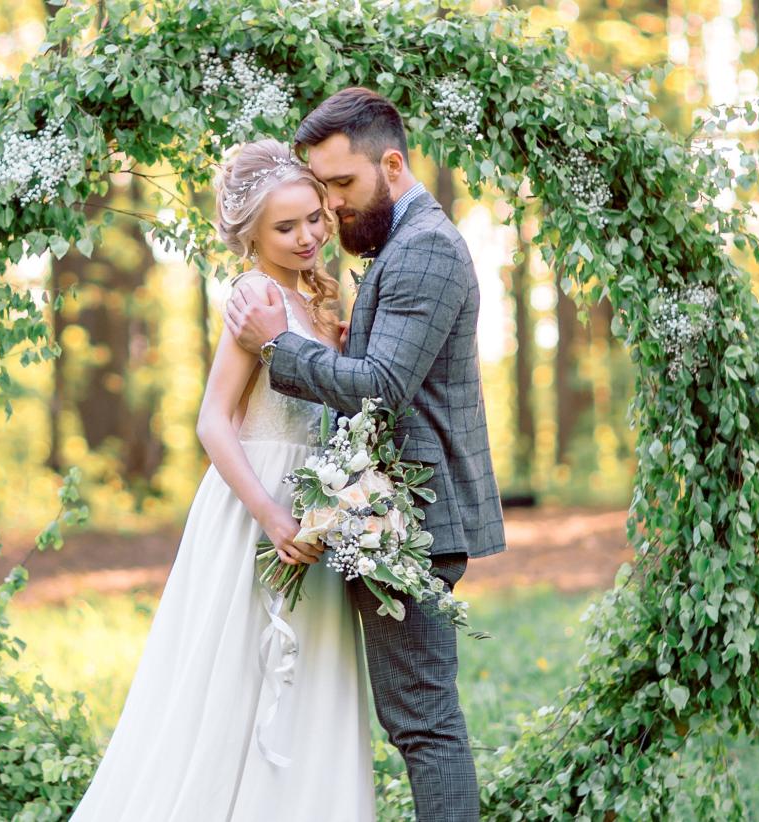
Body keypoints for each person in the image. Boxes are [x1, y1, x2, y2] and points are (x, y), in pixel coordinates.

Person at [68, 138, 375, 821]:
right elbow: (213, 422)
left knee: (312, 673)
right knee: (239, 673)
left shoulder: (318, 297)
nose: (307, 237)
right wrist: (269, 513)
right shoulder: (256, 295)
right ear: (252, 235)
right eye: (285, 227)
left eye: (314, 219)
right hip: (259, 502)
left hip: (318, 505)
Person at [224, 88, 508, 822]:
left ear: (392, 163)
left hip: (411, 520)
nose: (334, 210)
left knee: (423, 722)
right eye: (323, 192)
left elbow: (381, 386)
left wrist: (278, 346)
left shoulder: (424, 250)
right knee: (417, 718)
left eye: (343, 187)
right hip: (387, 514)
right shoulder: (400, 245)